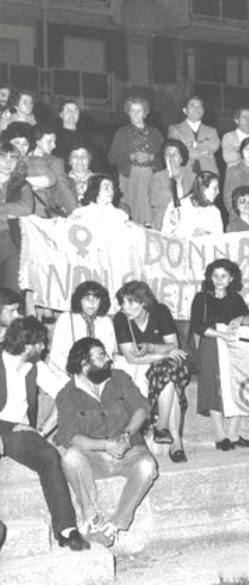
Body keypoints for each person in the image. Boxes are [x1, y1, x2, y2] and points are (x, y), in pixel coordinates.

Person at [57, 337, 158, 547]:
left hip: (129, 451)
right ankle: (91, 518)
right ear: (84, 363)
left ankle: (114, 525)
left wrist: (126, 435)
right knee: (70, 458)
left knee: (148, 466)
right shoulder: (66, 395)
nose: (108, 359)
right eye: (101, 356)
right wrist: (104, 445)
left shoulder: (119, 378)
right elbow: (70, 436)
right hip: (95, 458)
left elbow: (141, 409)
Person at [0, 316, 90, 550]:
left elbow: (65, 395)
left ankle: (66, 529)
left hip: (19, 430)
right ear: (27, 345)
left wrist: (41, 431)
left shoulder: (36, 366)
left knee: (50, 456)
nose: (44, 348)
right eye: (40, 343)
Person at [112, 281, 190, 463]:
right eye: (122, 303)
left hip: (160, 365)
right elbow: (131, 358)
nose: (125, 307)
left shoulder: (160, 311)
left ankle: (163, 428)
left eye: (131, 302)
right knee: (170, 378)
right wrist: (162, 355)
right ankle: (171, 438)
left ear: (144, 302)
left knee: (168, 374)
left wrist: (151, 347)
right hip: (136, 366)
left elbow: (174, 345)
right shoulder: (120, 319)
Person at [190, 259, 249, 452]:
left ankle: (233, 433)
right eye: (215, 276)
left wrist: (240, 318)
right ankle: (220, 435)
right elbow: (197, 326)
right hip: (211, 344)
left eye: (223, 276)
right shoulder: (202, 298)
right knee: (213, 386)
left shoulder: (235, 298)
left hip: (233, 346)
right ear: (210, 277)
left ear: (231, 278)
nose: (219, 280)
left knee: (239, 384)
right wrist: (221, 335)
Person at [108, 96, 163, 227]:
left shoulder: (155, 133)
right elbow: (112, 158)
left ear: (145, 113)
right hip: (129, 175)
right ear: (128, 113)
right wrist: (131, 156)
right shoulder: (122, 133)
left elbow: (164, 157)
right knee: (129, 213)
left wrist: (151, 157)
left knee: (149, 212)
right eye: (132, 111)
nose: (136, 114)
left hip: (150, 176)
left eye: (139, 111)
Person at [49, 282, 118, 379]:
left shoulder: (106, 322)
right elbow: (56, 356)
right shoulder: (65, 319)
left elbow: (109, 353)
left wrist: (96, 372)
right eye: (87, 298)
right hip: (66, 373)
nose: (92, 303)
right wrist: (77, 374)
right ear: (79, 300)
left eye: (96, 298)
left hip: (98, 373)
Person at [0, 142, 34, 290]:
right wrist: (9, 212)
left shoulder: (23, 185)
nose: (8, 163)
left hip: (11, 239)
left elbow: (27, 207)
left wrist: (2, 209)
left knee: (12, 290)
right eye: (3, 157)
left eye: (13, 158)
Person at [27, 123, 76, 217]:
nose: (54, 145)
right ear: (37, 141)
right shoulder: (23, 156)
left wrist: (75, 212)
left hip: (41, 211)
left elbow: (63, 188)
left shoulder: (54, 162)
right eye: (49, 141)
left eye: (54, 141)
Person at [168, 96, 220, 177]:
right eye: (192, 106)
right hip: (184, 174)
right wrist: (203, 152)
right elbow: (179, 150)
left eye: (199, 106)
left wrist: (193, 144)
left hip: (208, 174)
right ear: (185, 110)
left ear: (203, 111)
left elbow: (214, 145)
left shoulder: (211, 131)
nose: (197, 109)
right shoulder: (175, 129)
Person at [161, 170, 224, 237]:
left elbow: (220, 238)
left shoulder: (215, 212)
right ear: (203, 188)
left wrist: (207, 234)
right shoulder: (177, 207)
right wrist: (173, 225)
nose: (218, 192)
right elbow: (165, 235)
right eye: (214, 188)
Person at [148, 139, 194, 230]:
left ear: (181, 158)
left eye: (175, 154)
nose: (171, 157)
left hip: (187, 220)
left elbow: (196, 200)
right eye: (167, 154)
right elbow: (155, 201)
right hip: (163, 220)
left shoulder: (192, 176)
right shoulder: (156, 177)